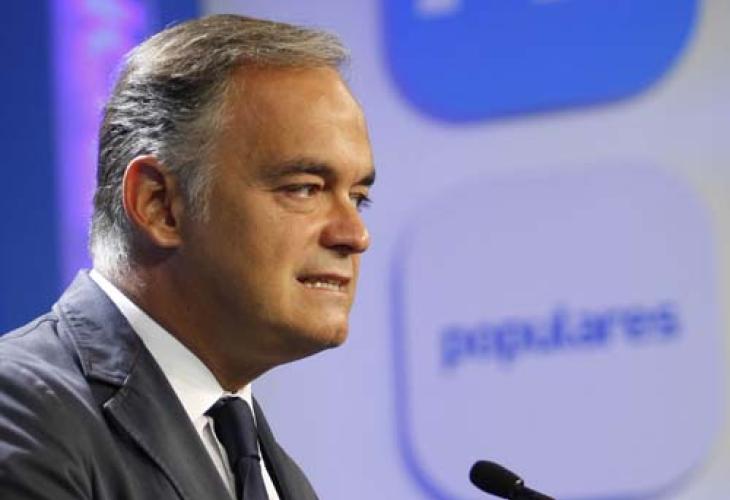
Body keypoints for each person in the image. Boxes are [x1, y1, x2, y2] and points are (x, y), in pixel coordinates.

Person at [0, 14, 374, 500]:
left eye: (359, 197)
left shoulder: (279, 477)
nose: (354, 234)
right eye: (304, 189)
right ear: (159, 205)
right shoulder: (23, 414)